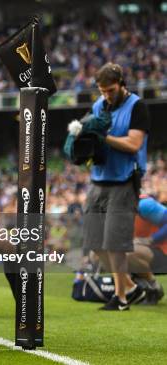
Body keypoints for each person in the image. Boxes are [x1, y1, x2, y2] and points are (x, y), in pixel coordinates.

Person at [81, 62, 151, 311]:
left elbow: (133, 144)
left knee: (115, 244)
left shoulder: (137, 106)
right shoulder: (99, 106)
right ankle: (132, 288)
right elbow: (92, 137)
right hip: (98, 180)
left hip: (123, 181)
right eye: (102, 90)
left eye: (110, 90)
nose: (106, 95)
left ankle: (120, 298)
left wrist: (102, 137)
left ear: (121, 84)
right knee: (95, 243)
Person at [127, 195, 167, 304]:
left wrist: (149, 240)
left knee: (129, 252)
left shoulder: (144, 204)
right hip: (145, 253)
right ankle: (139, 287)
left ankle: (154, 287)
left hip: (162, 251)